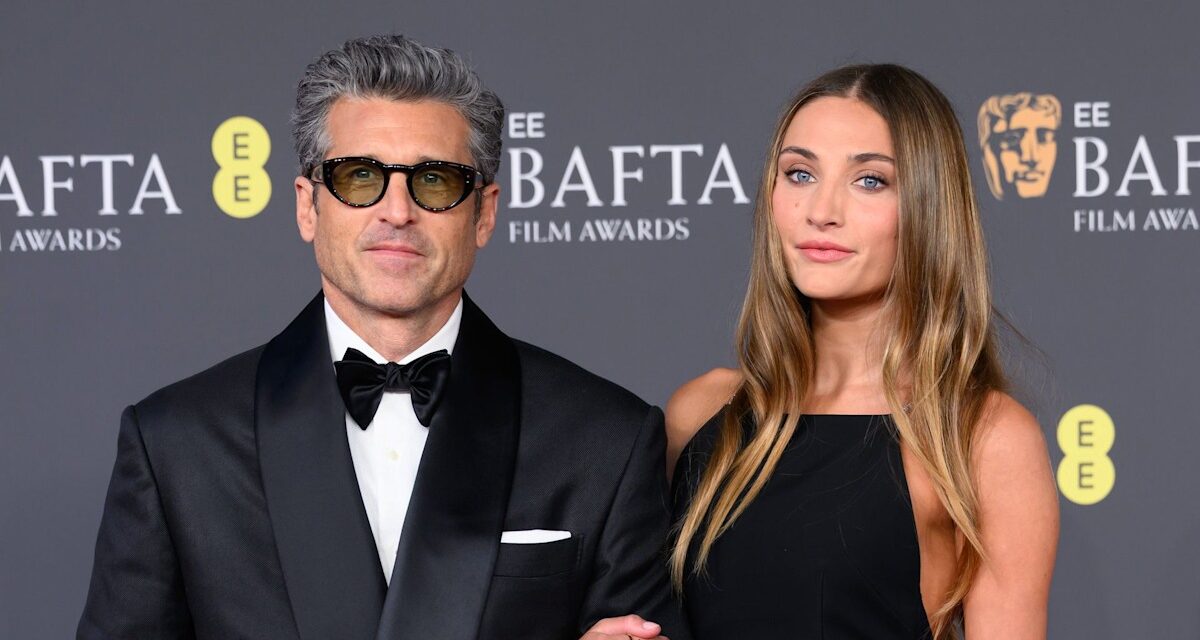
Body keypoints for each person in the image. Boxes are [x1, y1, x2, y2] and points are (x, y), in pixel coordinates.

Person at [78, 34, 687, 640]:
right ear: (307, 207)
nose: (397, 211)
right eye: (360, 176)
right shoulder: (176, 446)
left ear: (485, 213)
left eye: (436, 181)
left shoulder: (606, 438)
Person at [665, 65, 1059, 639]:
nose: (821, 210)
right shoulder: (699, 413)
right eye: (799, 174)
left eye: (870, 181)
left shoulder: (980, 437)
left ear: (928, 207)